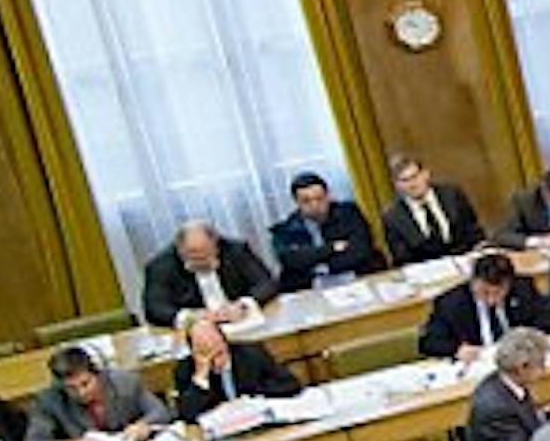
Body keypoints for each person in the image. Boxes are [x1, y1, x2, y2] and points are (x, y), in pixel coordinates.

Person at [134, 215, 271, 328]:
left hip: (242, 323)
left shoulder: (236, 250)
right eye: (193, 255)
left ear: (216, 245)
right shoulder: (160, 266)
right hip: (198, 332)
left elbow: (266, 282)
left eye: (205, 255)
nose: (200, 261)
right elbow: (154, 308)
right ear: (179, 250)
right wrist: (191, 317)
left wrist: (243, 305)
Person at [21, 342, 162, 441]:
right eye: (71, 388)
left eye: (85, 384)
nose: (81, 393)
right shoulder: (50, 400)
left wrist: (143, 425)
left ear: (97, 374)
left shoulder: (125, 382)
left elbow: (160, 411)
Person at [462, 326, 548, 441]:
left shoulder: (506, 382)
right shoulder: (494, 408)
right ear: (523, 367)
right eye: (541, 365)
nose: (545, 371)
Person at [170, 307, 297, 418]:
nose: (211, 349)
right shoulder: (185, 370)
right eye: (202, 347)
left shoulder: (251, 354)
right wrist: (201, 375)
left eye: (214, 341)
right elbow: (186, 414)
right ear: (193, 350)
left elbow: (290, 384)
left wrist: (252, 400)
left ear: (223, 339)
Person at [268, 169, 382, 290]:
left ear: (328, 196)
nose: (315, 205)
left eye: (319, 198)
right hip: (310, 289)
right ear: (296, 202)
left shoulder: (349, 214)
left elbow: (360, 251)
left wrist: (318, 264)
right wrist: (331, 248)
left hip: (356, 279)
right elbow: (292, 261)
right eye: (306, 201)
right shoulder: (286, 230)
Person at [378, 153, 484, 266]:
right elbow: (402, 259)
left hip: (466, 264)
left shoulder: (452, 196)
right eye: (405, 180)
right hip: (427, 274)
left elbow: (474, 232)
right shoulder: (393, 217)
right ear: (397, 185)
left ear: (425, 174)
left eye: (415, 176)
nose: (413, 184)